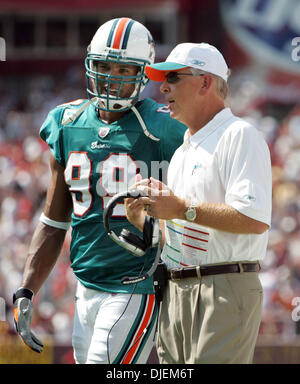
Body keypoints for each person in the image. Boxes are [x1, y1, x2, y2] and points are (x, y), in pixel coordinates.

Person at [12, 18, 186, 364]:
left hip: (135, 284)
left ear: (143, 73)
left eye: (124, 69)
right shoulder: (66, 122)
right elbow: (53, 220)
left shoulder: (163, 127)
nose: (111, 77)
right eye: (104, 66)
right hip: (86, 287)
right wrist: (27, 289)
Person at [125, 43, 272, 364]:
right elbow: (175, 241)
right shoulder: (182, 152)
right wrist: (144, 221)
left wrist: (180, 208)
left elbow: (254, 218)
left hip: (224, 286)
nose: (162, 87)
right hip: (177, 288)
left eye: (174, 77)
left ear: (206, 82)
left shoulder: (240, 134)